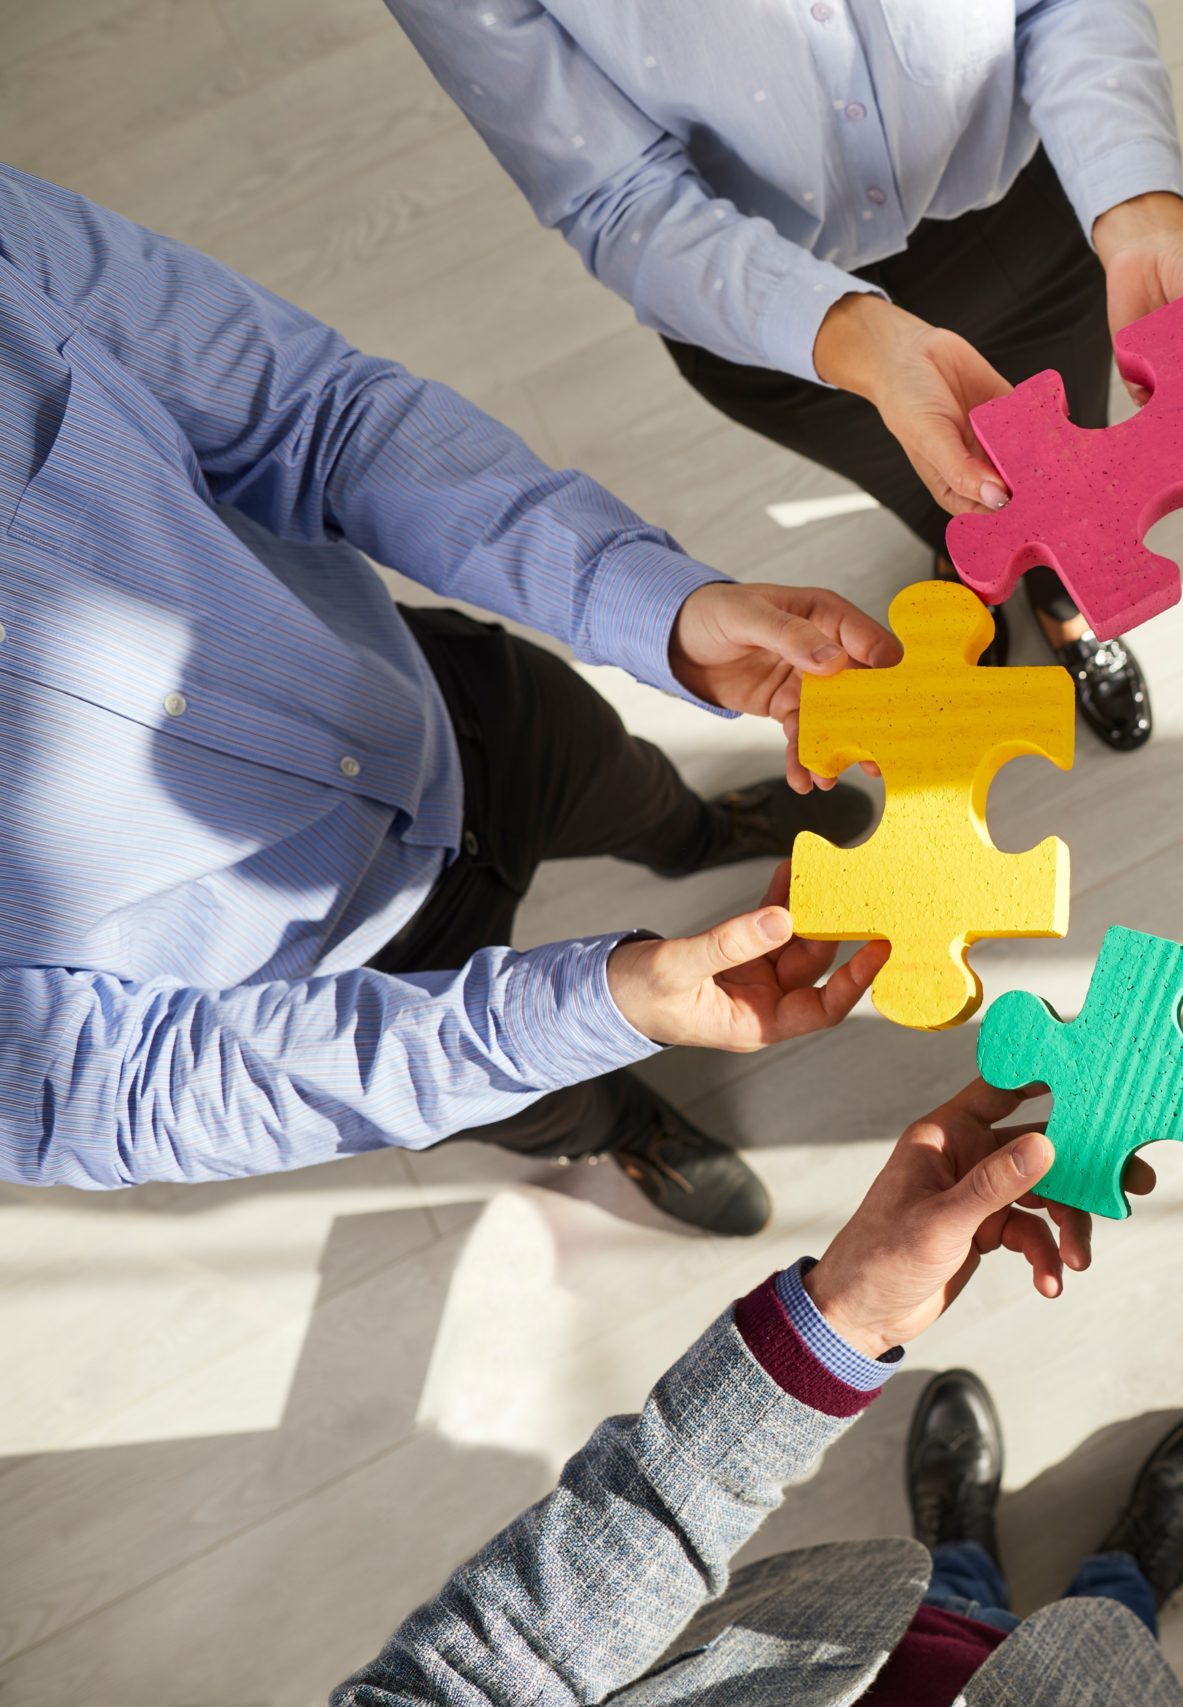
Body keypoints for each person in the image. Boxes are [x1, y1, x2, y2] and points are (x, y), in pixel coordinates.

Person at [0, 165, 895, 1235]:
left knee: (634, 784)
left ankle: (700, 828)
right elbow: (106, 1092)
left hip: (453, 707)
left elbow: (315, 413)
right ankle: (618, 1127)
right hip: (347, 997)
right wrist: (583, 1013)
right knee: (548, 1098)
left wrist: (659, 609)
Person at [336, 1081, 1183, 1706]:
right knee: (1104, 1628)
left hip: (829, 1650)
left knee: (947, 1596)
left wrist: (839, 1322)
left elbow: (488, 1670)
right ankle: (1120, 1584)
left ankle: (961, 1558)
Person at [384, 0, 1183, 755]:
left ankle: (1063, 592)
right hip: (776, 312)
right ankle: (979, 578)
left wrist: (1140, 213)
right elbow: (611, 193)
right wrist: (859, 344)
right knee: (943, 494)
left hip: (1040, 205)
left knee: (1069, 439)